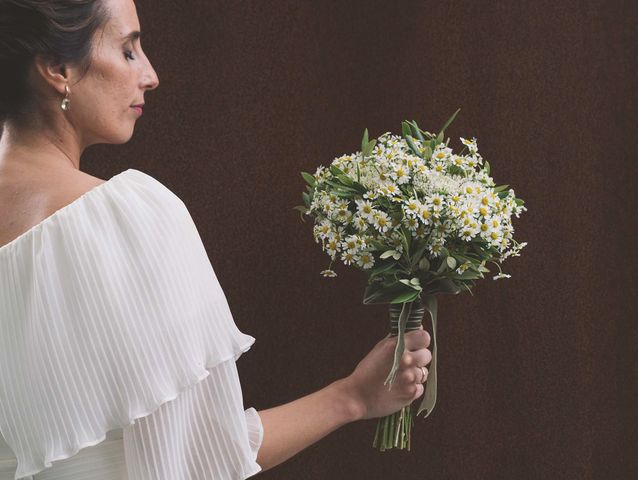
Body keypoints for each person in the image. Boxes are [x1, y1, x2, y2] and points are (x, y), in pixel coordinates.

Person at [0, 0, 432, 478]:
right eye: (128, 50)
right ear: (58, 68)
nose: (150, 75)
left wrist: (355, 395)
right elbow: (203, 459)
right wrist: (351, 398)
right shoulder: (128, 218)